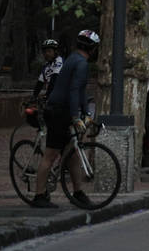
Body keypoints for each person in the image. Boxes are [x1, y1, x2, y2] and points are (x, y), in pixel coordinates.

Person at [30, 29, 99, 208]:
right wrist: (77, 117)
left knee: (72, 154)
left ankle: (78, 192)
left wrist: (86, 113)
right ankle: (38, 196)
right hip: (58, 112)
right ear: (93, 49)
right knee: (50, 155)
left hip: (62, 111)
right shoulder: (81, 64)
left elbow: (81, 90)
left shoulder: (73, 59)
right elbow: (74, 90)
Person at [31, 39, 63, 103]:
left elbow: (54, 79)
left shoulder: (59, 61)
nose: (47, 54)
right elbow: (40, 83)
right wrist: (34, 96)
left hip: (62, 97)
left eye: (49, 51)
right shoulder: (46, 66)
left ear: (55, 52)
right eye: (45, 52)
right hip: (53, 97)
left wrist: (47, 95)